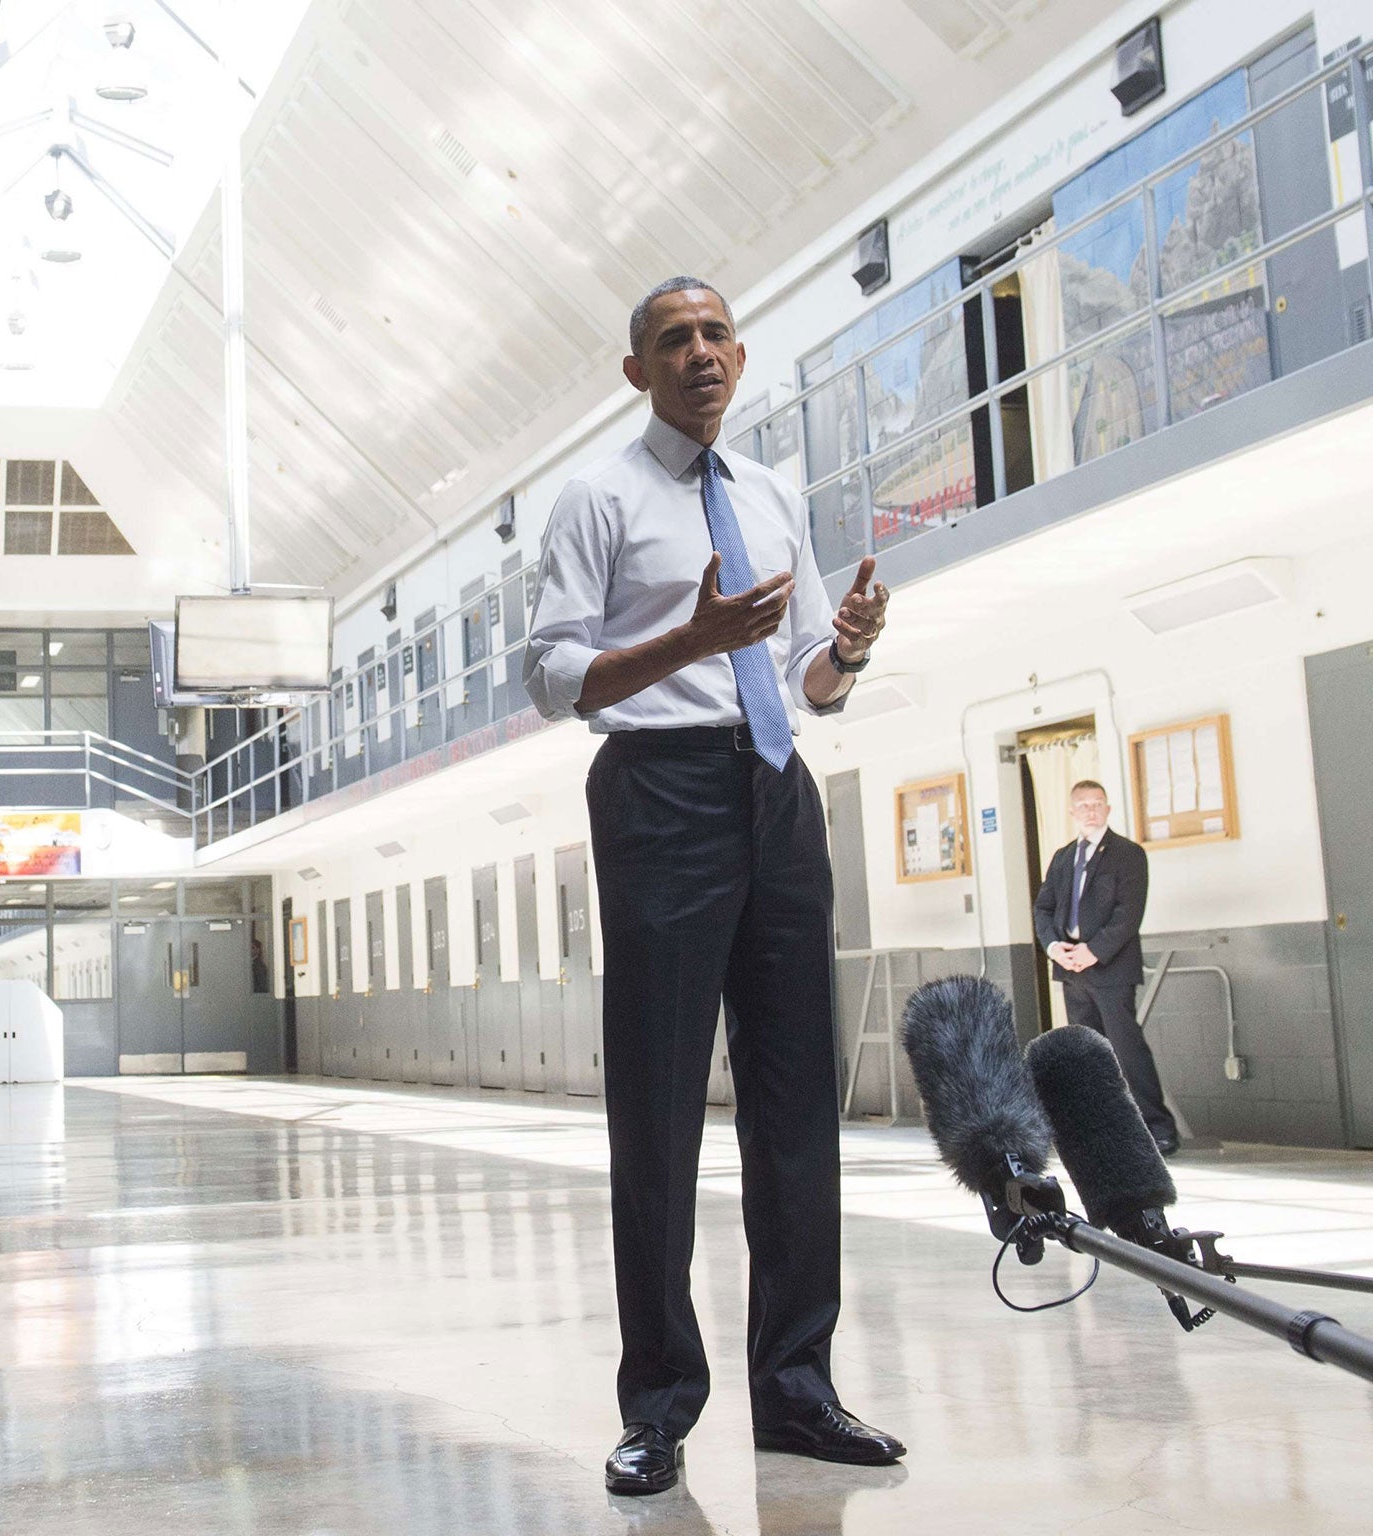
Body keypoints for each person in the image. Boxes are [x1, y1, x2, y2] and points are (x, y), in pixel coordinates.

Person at [525, 277, 903, 1495]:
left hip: (775, 788)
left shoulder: (774, 493)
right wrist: (686, 642)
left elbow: (801, 680)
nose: (698, 353)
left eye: (713, 336)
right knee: (659, 1113)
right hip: (659, 797)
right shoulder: (596, 498)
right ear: (634, 369)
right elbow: (551, 676)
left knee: (796, 1108)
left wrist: (839, 647)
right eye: (671, 339)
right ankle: (658, 1407)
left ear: (739, 357)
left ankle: (796, 1390)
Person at [1033, 779, 1177, 1153]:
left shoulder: (1128, 854)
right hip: (1071, 968)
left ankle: (1157, 1128)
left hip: (1110, 967)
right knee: (1085, 1054)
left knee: (1126, 1048)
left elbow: (1129, 914)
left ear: (1108, 809)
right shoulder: (1064, 858)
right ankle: (1097, 1130)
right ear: (1072, 812)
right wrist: (1053, 947)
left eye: (1097, 804)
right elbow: (1043, 907)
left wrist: (1093, 951)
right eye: (1083, 805)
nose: (1090, 810)